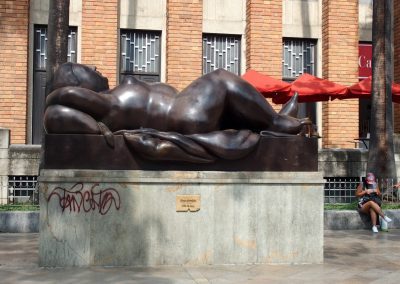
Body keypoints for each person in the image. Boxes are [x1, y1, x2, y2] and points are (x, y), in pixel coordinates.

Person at [44, 62, 312, 137]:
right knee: (219, 77)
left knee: (221, 88)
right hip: (182, 116)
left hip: (186, 112)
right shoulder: (106, 104)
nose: (95, 69)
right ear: (78, 85)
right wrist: (53, 95)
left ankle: (271, 119)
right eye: (86, 69)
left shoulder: (111, 100)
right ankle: (276, 121)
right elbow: (60, 102)